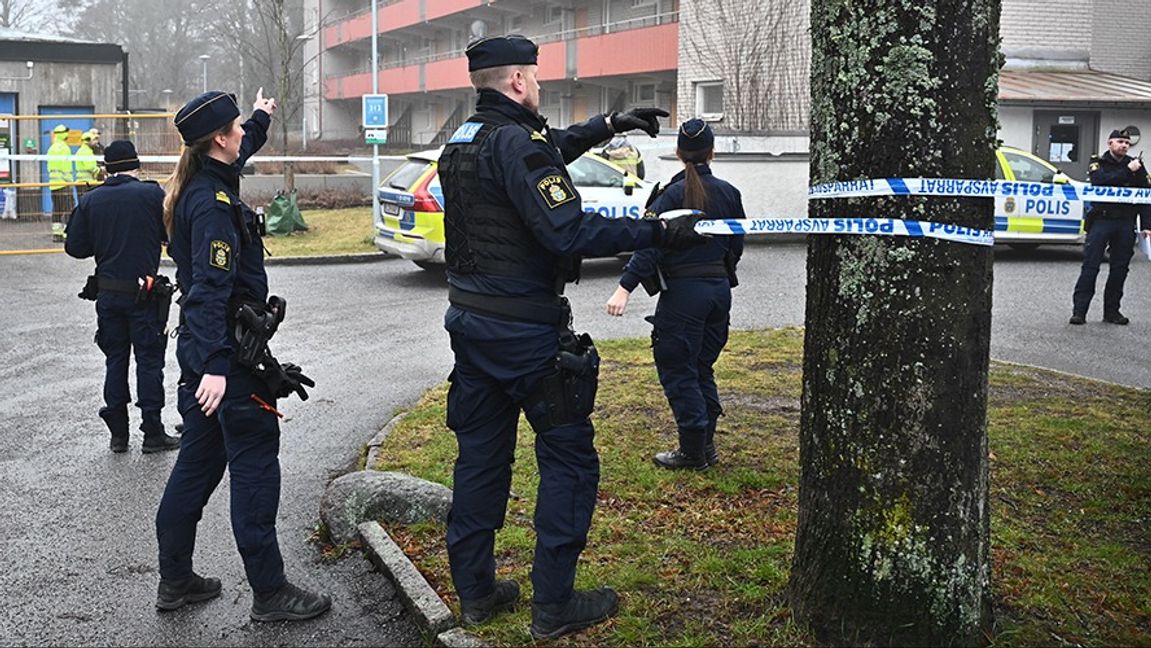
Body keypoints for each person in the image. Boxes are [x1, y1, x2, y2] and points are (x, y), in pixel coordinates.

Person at [439, 34, 708, 640]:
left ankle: (477, 594)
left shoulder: (464, 139)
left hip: (470, 328)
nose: (538, 86)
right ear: (516, 82)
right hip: (526, 334)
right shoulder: (513, 141)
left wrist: (607, 125)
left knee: (480, 462)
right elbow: (566, 232)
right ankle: (553, 606)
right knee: (568, 461)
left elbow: (544, 149)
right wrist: (658, 233)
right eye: (534, 78)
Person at [154, 89, 329, 621]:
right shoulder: (210, 204)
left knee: (197, 464)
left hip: (213, 351)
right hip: (226, 357)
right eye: (236, 128)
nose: (241, 136)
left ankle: (176, 581)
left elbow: (245, 143)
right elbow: (208, 289)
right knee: (255, 467)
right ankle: (270, 593)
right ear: (218, 140)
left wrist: (261, 115)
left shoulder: (211, 174)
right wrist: (213, 367)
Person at [605, 119, 743, 470]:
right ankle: (706, 444)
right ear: (711, 152)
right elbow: (736, 245)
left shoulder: (668, 195)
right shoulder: (729, 193)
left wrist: (624, 287)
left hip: (684, 296)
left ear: (679, 153)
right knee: (701, 368)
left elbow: (649, 245)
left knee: (679, 371)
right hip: (717, 293)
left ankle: (693, 452)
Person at [64, 140, 181, 454]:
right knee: (149, 361)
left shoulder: (91, 200)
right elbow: (171, 236)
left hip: (108, 295)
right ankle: (153, 433)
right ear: (137, 165)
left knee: (115, 360)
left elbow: (75, 247)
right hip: (144, 295)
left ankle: (118, 436)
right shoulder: (152, 195)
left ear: (106, 168)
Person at [1070, 128, 1151, 325]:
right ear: (1110, 143)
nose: (1124, 146)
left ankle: (1112, 312)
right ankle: (1079, 312)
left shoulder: (1137, 165)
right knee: (1090, 266)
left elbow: (1146, 196)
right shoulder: (1098, 162)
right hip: (1102, 221)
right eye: (1120, 142)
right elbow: (1100, 182)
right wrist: (1126, 171)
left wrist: (1147, 225)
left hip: (1125, 222)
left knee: (1120, 268)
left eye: (1127, 143)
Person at [47, 124, 75, 242]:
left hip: (54, 185)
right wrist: (70, 182)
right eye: (66, 132)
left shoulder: (51, 148)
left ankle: (56, 234)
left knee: (57, 209)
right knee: (69, 209)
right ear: (62, 134)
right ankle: (67, 233)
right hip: (64, 184)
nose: (68, 134)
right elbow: (66, 167)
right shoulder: (64, 148)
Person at [75, 130, 101, 197]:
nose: (96, 142)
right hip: (87, 183)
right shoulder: (86, 152)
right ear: (88, 141)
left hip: (84, 183)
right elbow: (90, 167)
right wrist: (101, 170)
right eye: (93, 140)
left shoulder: (83, 150)